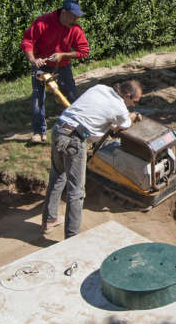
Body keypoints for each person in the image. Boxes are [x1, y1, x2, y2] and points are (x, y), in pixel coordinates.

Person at [42, 80, 143, 238]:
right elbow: (122, 125)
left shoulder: (100, 88)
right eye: (134, 101)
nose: (134, 105)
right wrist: (132, 116)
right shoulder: (121, 108)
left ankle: (49, 219)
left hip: (59, 128)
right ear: (128, 96)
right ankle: (72, 237)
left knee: (57, 176)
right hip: (75, 139)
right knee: (76, 191)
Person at [21, 0, 90, 143]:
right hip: (41, 66)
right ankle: (38, 132)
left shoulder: (75, 29)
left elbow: (84, 51)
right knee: (37, 99)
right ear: (63, 13)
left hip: (63, 66)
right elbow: (27, 41)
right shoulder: (43, 22)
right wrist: (34, 60)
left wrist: (63, 55)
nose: (75, 20)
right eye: (73, 16)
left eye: (77, 17)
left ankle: (77, 129)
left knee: (71, 96)